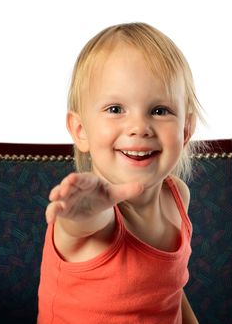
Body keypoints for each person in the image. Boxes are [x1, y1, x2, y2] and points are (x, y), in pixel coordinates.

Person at [37, 22, 203, 324]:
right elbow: (82, 224)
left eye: (160, 110)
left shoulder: (177, 195)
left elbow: (171, 291)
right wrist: (81, 212)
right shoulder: (93, 217)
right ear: (80, 130)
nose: (139, 127)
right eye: (115, 109)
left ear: (186, 130)